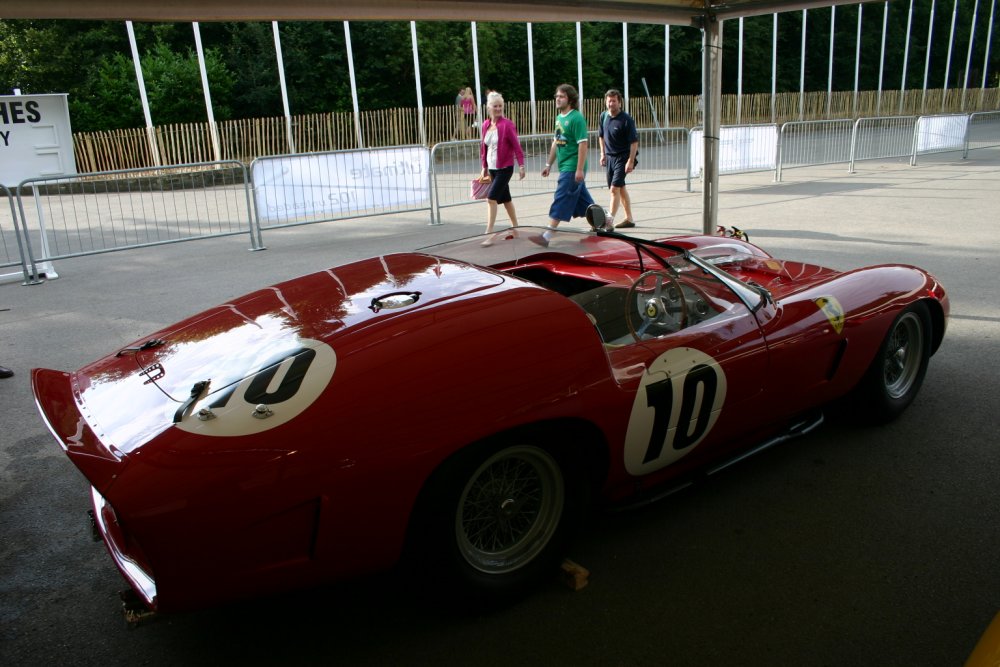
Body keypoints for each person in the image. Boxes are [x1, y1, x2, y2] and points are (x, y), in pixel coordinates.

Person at [536, 83, 594, 246]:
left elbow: (583, 144)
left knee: (562, 197)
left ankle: (547, 235)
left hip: (573, 166)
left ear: (570, 99)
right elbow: (556, 142)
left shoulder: (576, 118)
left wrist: (579, 169)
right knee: (584, 202)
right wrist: (548, 164)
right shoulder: (559, 118)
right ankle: (605, 220)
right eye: (556, 96)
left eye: (561, 96)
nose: (557, 99)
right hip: (564, 165)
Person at [479, 91, 525, 234]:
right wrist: (484, 167)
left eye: (500, 106)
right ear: (489, 108)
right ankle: (516, 228)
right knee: (506, 199)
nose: (498, 109)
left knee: (491, 199)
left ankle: (489, 231)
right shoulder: (485, 125)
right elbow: (484, 147)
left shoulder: (507, 125)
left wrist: (521, 165)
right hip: (492, 168)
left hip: (505, 167)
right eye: (495, 106)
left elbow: (517, 146)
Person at [598, 88, 639, 229]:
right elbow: (601, 136)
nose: (611, 104)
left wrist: (631, 161)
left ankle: (608, 222)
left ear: (619, 103)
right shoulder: (603, 116)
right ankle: (629, 219)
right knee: (620, 189)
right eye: (609, 101)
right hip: (609, 158)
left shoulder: (626, 119)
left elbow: (634, 142)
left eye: (614, 101)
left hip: (623, 157)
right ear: (605, 102)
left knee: (614, 189)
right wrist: (602, 154)